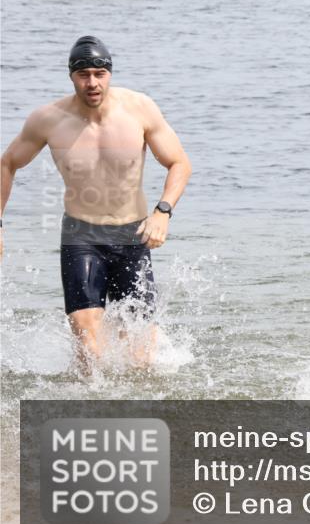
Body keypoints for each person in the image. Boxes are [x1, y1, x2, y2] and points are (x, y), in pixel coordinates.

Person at [1, 36, 191, 375]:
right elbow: (7, 164)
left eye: (99, 74)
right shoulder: (48, 119)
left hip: (133, 235)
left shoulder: (139, 109)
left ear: (109, 74)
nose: (92, 83)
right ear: (71, 76)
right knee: (88, 346)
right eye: (84, 74)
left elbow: (179, 163)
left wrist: (163, 211)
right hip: (81, 235)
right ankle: (86, 406)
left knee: (140, 359)